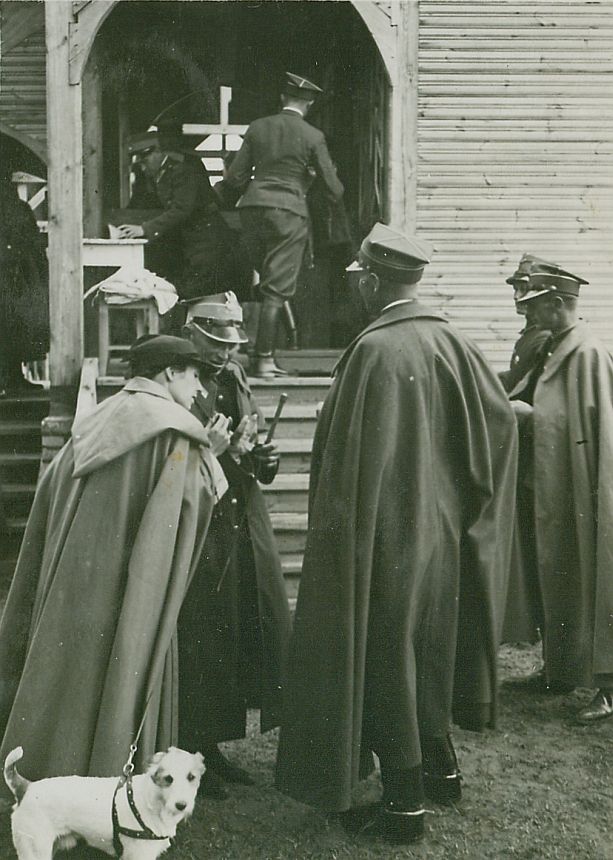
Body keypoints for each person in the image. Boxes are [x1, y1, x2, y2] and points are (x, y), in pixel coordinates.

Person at [275, 224, 518, 845]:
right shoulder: (453, 341)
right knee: (427, 651)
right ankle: (442, 772)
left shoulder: (376, 351)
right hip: (441, 534)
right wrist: (458, 502)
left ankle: (405, 806)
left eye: (358, 276)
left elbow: (348, 465)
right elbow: (500, 426)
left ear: (372, 281)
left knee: (384, 656)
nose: (354, 284)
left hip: (382, 536)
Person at [0, 335, 231, 786]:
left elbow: (51, 490)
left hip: (73, 582)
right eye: (194, 375)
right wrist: (211, 456)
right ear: (170, 372)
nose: (200, 389)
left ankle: (48, 774)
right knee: (121, 673)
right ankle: (111, 782)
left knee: (70, 679)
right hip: (129, 590)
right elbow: (187, 502)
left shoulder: (97, 418)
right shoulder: (174, 430)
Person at [179, 293, 291, 797]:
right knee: (201, 630)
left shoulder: (236, 375)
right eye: (215, 342)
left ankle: (211, 746)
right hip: (201, 521)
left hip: (242, 517)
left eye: (231, 344)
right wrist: (219, 453)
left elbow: (250, 437)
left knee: (239, 627)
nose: (225, 352)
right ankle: (188, 745)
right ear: (191, 333)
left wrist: (263, 458)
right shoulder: (177, 377)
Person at [508, 267, 613, 722]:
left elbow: (593, 428)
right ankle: (562, 670)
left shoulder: (587, 352)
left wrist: (530, 416)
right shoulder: (555, 345)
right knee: (559, 577)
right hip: (555, 484)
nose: (527, 312)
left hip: (585, 489)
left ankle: (608, 689)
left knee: (597, 578)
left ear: (557, 304)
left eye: (534, 305)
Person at [219, 72, 344, 377]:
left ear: (283, 98)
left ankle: (250, 350)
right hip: (289, 213)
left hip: (252, 210)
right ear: (309, 104)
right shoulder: (313, 136)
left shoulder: (257, 127)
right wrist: (306, 182)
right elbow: (335, 190)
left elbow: (234, 178)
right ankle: (263, 361)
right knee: (276, 290)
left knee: (260, 280)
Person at [500, 254, 554, 644]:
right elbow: (515, 378)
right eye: (517, 289)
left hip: (540, 454)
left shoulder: (546, 338)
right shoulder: (530, 335)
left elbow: (528, 392)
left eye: (525, 290)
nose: (518, 297)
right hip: (525, 450)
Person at [117, 131, 240, 301]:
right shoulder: (160, 174)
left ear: (158, 152)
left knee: (202, 292)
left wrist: (145, 229)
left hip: (206, 239)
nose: (143, 168)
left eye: (145, 162)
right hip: (192, 240)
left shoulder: (183, 170)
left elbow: (182, 209)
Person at [0, 179, 48, 395]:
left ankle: (14, 377)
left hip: (17, 278)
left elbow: (33, 243)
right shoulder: (18, 208)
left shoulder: (19, 208)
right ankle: (9, 377)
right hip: (11, 275)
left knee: (17, 325)